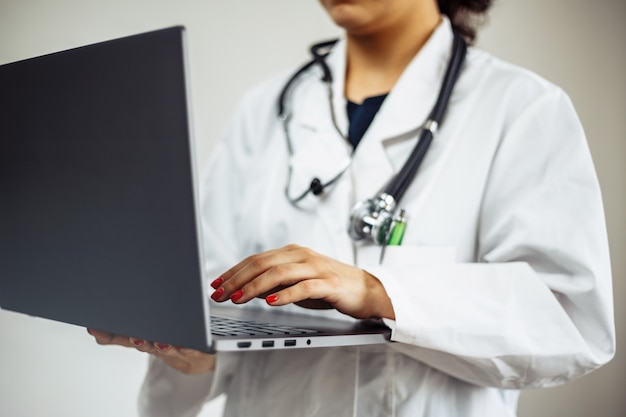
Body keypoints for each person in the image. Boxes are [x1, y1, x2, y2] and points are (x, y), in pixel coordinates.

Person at [89, 0, 616, 416]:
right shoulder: (264, 112)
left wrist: (378, 292)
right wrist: (190, 349)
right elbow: (214, 297)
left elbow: (568, 316)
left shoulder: (521, 109)